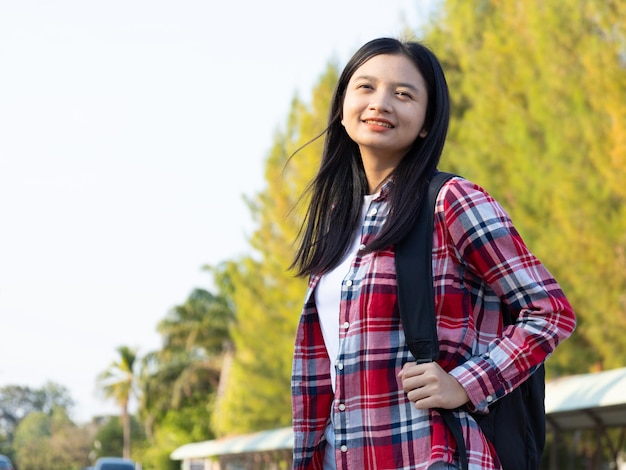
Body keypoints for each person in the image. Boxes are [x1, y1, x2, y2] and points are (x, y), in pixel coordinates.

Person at [289, 37, 576, 470]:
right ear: (343, 106)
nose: (380, 103)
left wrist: (465, 383)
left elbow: (550, 312)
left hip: (431, 455)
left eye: (403, 94)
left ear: (426, 121)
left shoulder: (450, 200)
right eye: (365, 88)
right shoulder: (338, 222)